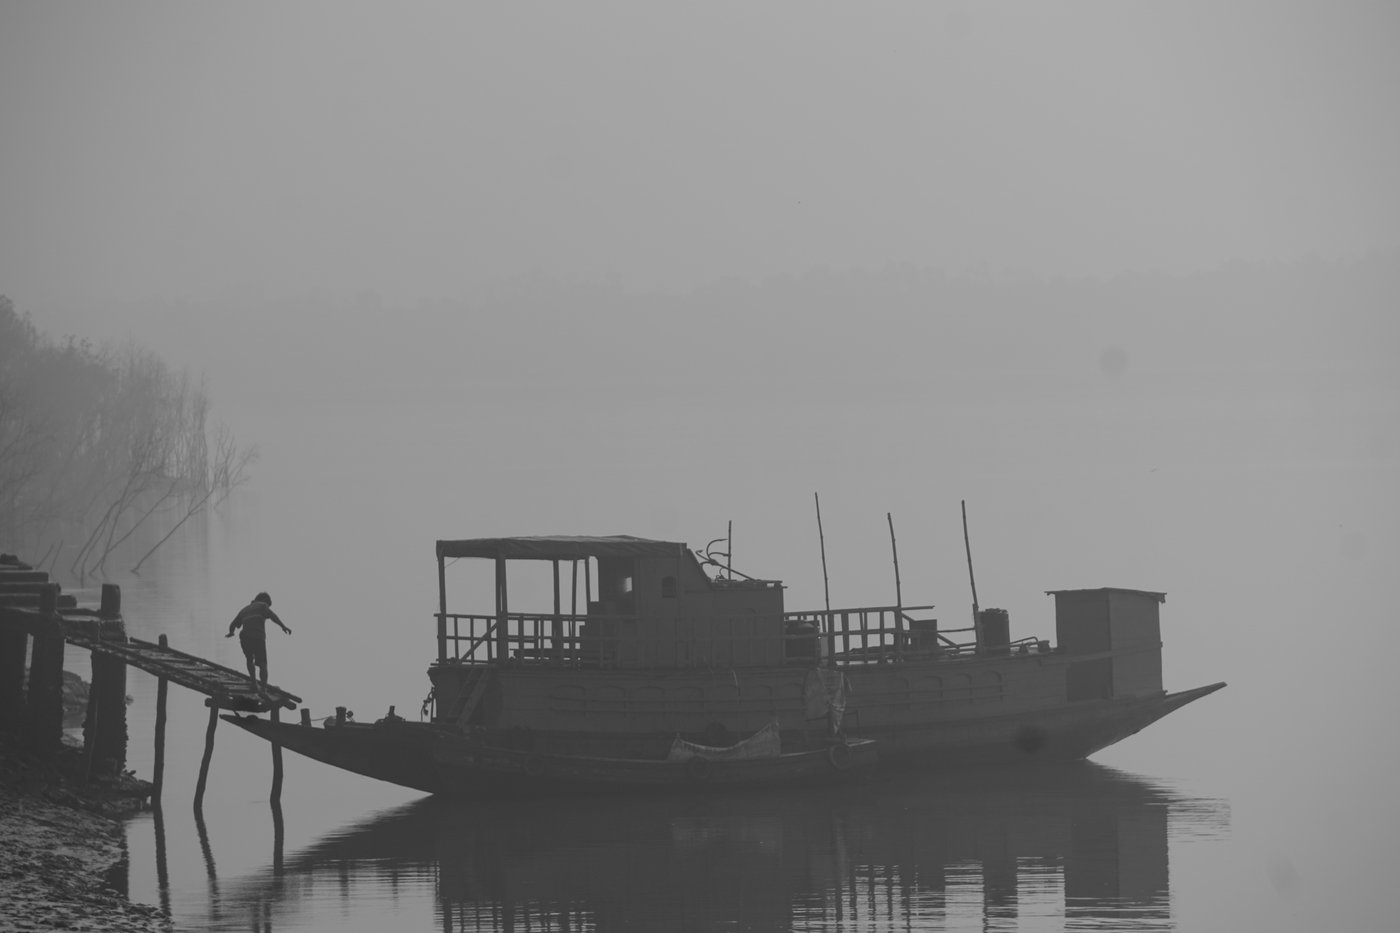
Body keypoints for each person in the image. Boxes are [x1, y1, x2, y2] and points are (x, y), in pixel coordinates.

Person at [226, 591, 291, 695]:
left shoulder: (244, 610)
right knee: (263, 664)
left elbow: (233, 624)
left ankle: (253, 683)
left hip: (245, 637)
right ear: (265, 601)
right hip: (258, 637)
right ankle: (264, 689)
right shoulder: (262, 606)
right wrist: (283, 626)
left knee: (249, 659)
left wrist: (231, 632)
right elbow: (273, 616)